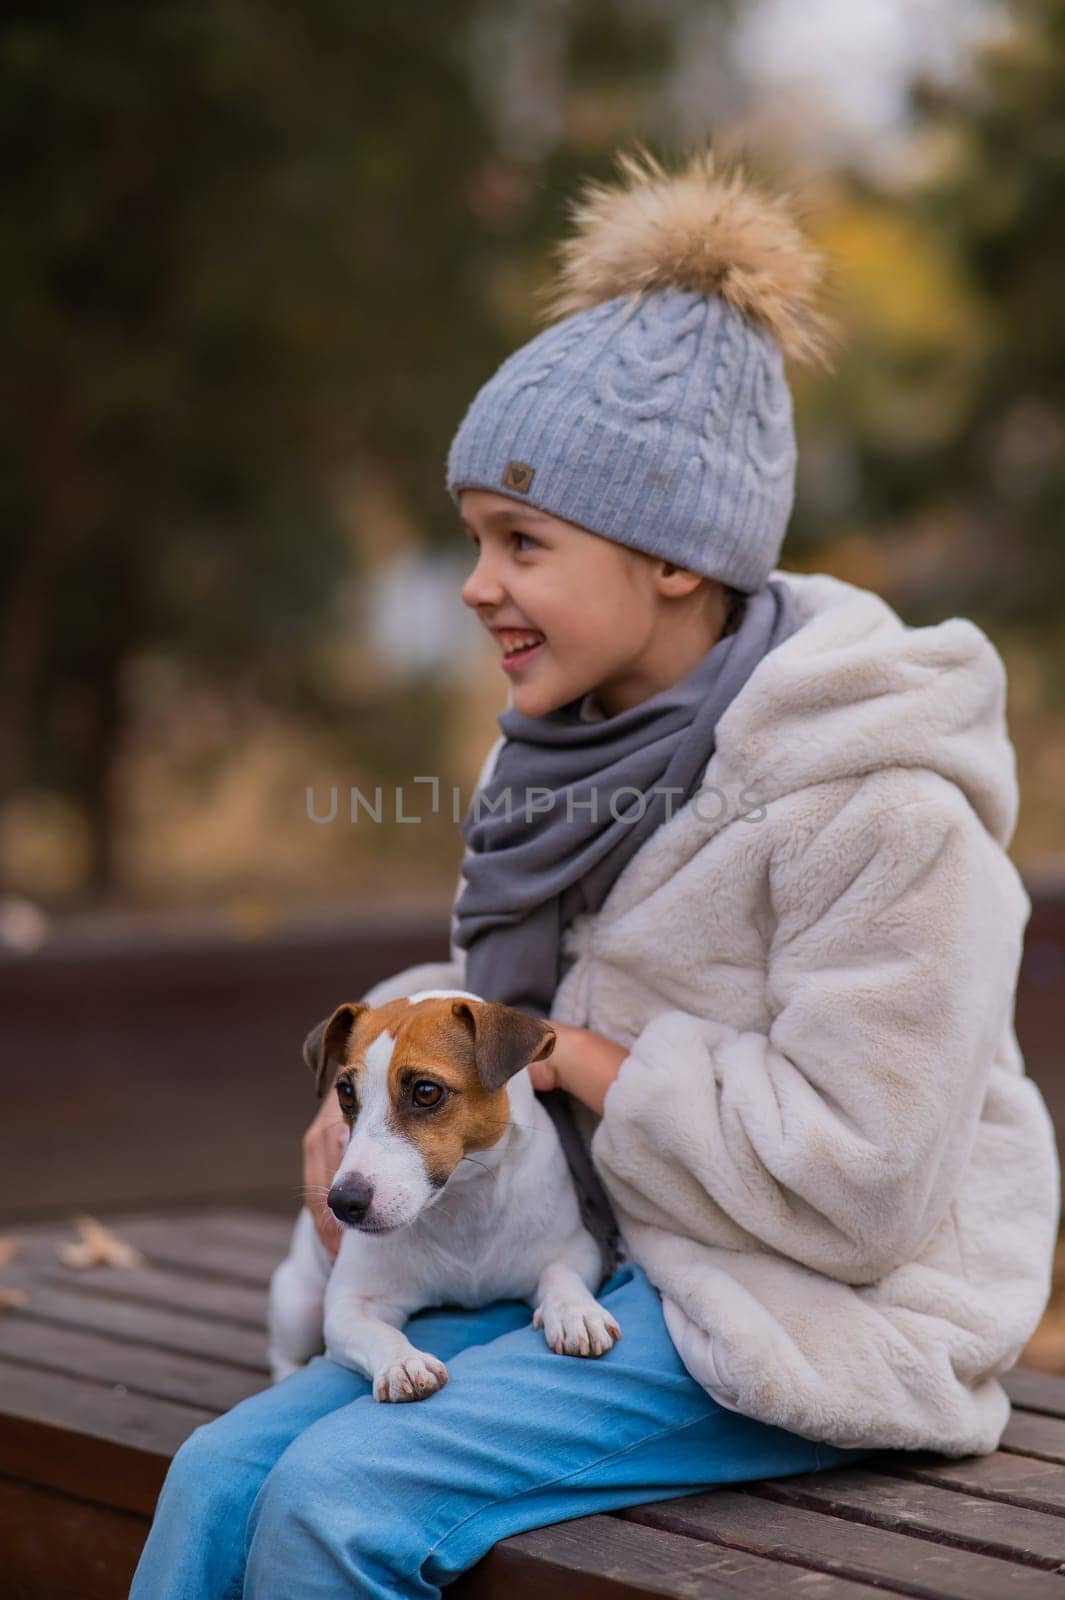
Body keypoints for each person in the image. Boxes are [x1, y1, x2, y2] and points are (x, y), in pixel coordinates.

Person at [130, 142, 1060, 1600]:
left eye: (521, 541)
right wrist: (378, 1082)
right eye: (471, 540)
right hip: (589, 1265)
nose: (474, 583)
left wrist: (576, 1061)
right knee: (217, 1475)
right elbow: (504, 1019)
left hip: (797, 1314)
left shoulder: (878, 802)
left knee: (334, 1498)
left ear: (674, 558)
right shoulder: (565, 748)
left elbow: (869, 1180)